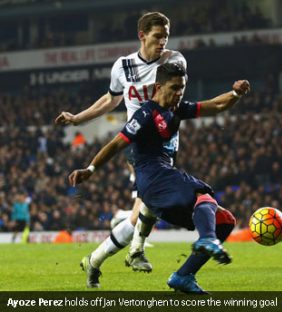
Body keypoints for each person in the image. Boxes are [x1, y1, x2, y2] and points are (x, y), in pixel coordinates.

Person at [69, 63, 250, 293]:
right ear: (158, 87)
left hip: (163, 177)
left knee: (225, 221)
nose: (178, 93)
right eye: (174, 88)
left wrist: (235, 93)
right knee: (201, 194)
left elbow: (216, 105)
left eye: (182, 88)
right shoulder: (146, 114)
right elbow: (116, 144)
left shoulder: (177, 109)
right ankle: (206, 240)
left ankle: (184, 276)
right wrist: (90, 169)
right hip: (152, 177)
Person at [55, 12, 186, 272]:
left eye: (166, 36)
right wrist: (78, 119)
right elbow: (111, 99)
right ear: (142, 36)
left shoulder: (174, 60)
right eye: (157, 36)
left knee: (145, 207)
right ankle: (135, 250)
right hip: (138, 141)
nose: (163, 41)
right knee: (149, 201)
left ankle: (95, 260)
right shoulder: (123, 66)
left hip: (166, 142)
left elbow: (175, 97)